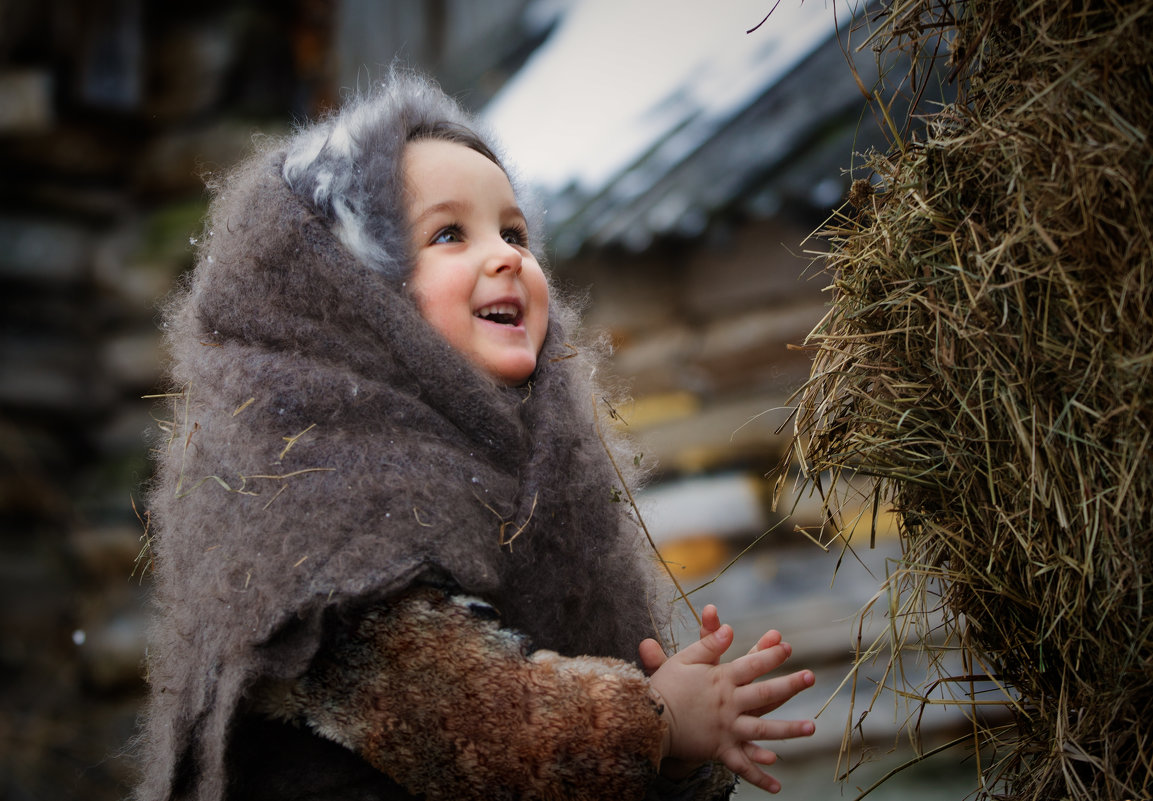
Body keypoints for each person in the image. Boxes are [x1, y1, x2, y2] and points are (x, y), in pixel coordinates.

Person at [135, 69, 815, 801]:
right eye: (449, 233)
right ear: (351, 297)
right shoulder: (308, 486)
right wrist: (650, 722)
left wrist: (676, 752)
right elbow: (456, 716)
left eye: (515, 231)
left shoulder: (542, 472)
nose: (507, 257)